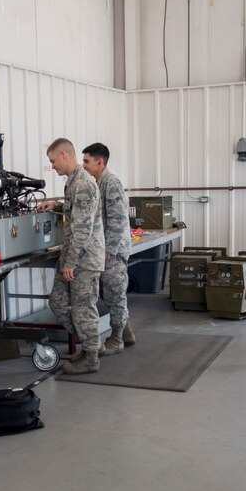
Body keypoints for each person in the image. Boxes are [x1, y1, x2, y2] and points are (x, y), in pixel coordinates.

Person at [37, 138, 105, 374]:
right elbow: (75, 210)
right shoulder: (73, 182)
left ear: (64, 155)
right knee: (57, 302)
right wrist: (54, 205)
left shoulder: (83, 183)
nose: (52, 166)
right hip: (73, 257)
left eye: (53, 161)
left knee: (83, 308)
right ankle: (89, 345)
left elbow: (82, 228)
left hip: (83, 260)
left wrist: (71, 263)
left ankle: (91, 356)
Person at [81, 142, 135, 355]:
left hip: (113, 250)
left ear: (100, 162)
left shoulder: (110, 183)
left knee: (115, 294)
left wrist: (109, 251)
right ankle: (126, 332)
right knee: (109, 293)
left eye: (87, 161)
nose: (83, 165)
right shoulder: (97, 183)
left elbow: (118, 219)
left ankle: (116, 339)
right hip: (104, 249)